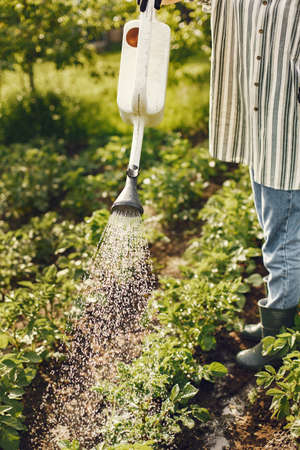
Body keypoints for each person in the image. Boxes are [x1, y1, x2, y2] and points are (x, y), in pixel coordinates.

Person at [137, 0, 300, 370]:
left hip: (290, 135)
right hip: (265, 132)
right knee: (274, 227)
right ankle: (278, 321)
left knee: (283, 240)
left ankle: (280, 339)